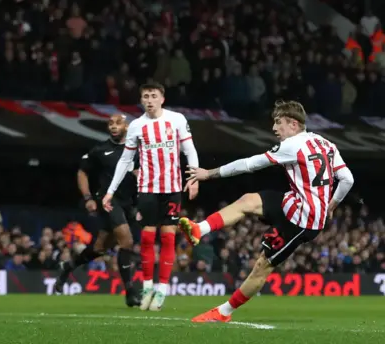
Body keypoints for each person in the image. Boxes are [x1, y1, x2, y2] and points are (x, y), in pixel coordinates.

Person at [180, 100, 354, 322]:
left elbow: (249, 164)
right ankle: (198, 229)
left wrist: (209, 173)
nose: (274, 128)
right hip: (296, 204)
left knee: (263, 265)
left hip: (303, 221)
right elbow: (347, 179)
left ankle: (223, 312)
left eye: (278, 122)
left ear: (293, 124)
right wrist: (332, 205)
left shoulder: (293, 145)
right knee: (248, 200)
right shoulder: (327, 144)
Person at [102, 82, 199, 311]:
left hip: (172, 188)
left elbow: (189, 150)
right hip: (147, 189)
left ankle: (162, 290)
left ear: (162, 99)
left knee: (167, 238)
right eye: (145, 96)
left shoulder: (176, 120)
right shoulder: (136, 126)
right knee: (146, 239)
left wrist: (194, 179)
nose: (149, 100)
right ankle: (147, 287)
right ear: (141, 100)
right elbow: (125, 160)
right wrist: (110, 191)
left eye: (153, 95)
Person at [55, 113, 141, 307]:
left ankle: (69, 266)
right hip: (109, 201)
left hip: (129, 203)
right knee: (126, 242)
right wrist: (88, 198)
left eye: (118, 123)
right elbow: (82, 172)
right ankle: (130, 292)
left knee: (99, 248)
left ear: (126, 126)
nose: (113, 126)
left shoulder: (137, 149)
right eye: (110, 123)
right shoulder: (100, 150)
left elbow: (142, 172)